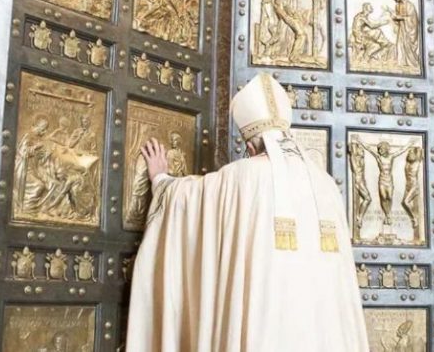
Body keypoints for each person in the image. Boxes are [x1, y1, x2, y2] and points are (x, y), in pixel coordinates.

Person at [126, 73, 368, 351]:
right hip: (325, 332)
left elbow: (188, 201)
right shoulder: (325, 183)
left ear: (251, 146)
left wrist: (161, 180)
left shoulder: (242, 176)